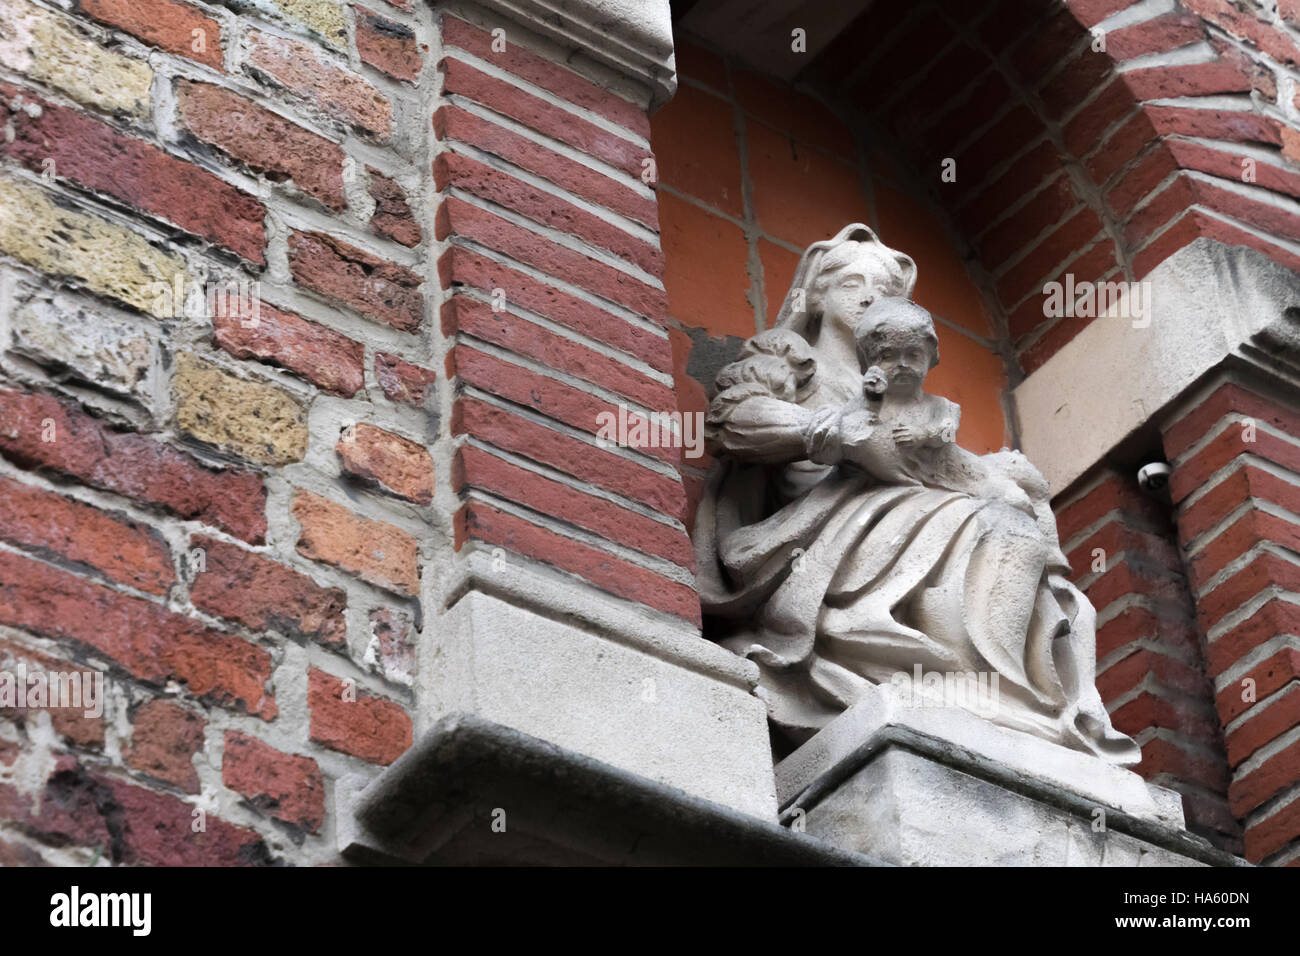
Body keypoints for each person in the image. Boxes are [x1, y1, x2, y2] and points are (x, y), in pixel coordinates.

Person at [694, 224, 1141, 763]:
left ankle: (1004, 693)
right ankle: (937, 671)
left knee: (1014, 528)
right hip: (822, 526)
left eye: (882, 290)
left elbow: (928, 458)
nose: (866, 295)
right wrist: (833, 432)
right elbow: (731, 421)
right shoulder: (790, 361)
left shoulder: (915, 392)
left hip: (909, 503)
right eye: (850, 282)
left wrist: (996, 473)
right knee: (984, 522)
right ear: (817, 293)